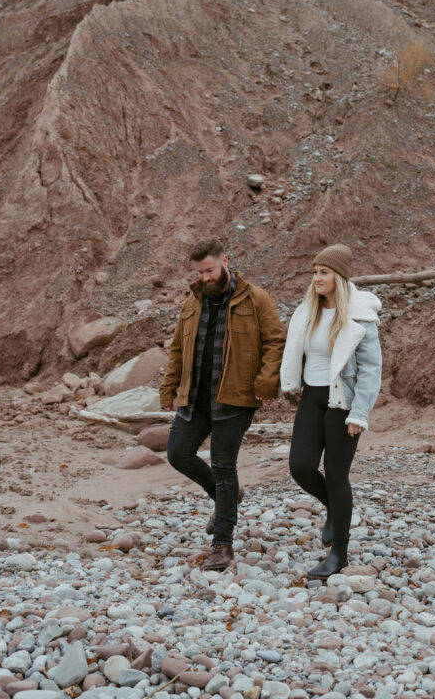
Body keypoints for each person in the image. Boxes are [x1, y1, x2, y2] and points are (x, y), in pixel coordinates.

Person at [160, 237, 286, 571]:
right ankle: (226, 497)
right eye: (199, 272)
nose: (204, 278)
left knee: (223, 465)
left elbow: (276, 341)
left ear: (225, 260)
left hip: (235, 397)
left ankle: (223, 545)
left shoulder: (256, 299)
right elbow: (177, 347)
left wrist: (265, 383)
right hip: (196, 396)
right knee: (178, 453)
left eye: (210, 270)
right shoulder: (193, 300)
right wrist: (168, 387)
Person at [281, 243, 382, 579]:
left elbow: (371, 369)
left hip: (343, 402)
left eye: (323, 272)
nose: (316, 278)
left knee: (337, 476)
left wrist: (359, 414)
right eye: (314, 272)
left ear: (339, 276)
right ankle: (335, 509)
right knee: (300, 466)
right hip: (312, 397)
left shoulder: (360, 317)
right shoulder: (306, 311)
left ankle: (339, 553)